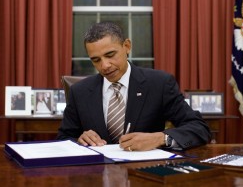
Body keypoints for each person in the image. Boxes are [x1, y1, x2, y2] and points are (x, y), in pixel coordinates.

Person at [57, 22, 211, 151]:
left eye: (110, 55)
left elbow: (199, 128)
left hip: (144, 174)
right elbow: (63, 138)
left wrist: (161, 138)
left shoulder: (159, 83)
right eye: (96, 60)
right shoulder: (79, 92)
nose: (105, 66)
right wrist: (79, 139)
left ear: (127, 46)